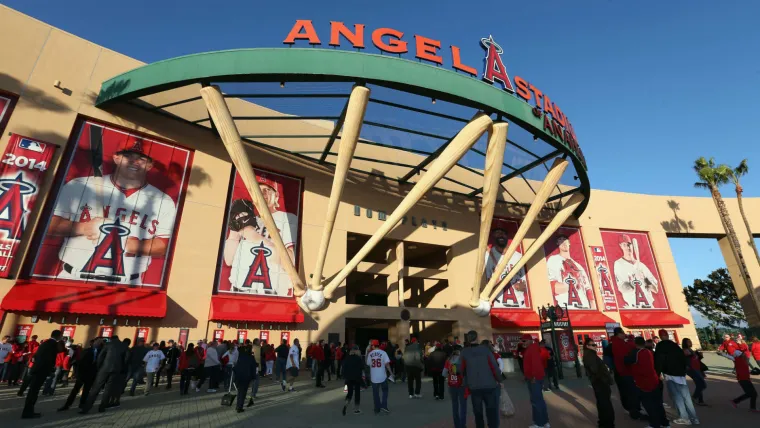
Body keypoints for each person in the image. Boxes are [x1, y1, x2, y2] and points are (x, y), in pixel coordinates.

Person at [46, 139, 177, 285]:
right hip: (73, 276)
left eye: (142, 159)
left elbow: (163, 246)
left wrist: (126, 244)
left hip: (128, 282)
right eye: (128, 156)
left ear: (149, 166)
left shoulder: (163, 201)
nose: (135, 162)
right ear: (116, 158)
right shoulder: (80, 185)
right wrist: (84, 228)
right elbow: (49, 226)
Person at [654, 330, 699, 425]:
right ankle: (694, 418)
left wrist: (658, 373)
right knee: (686, 397)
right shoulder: (675, 345)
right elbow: (683, 358)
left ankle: (684, 417)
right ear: (667, 335)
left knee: (676, 396)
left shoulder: (661, 346)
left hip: (670, 374)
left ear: (660, 336)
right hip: (681, 374)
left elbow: (659, 360)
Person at [459, 330, 501, 428]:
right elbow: (494, 366)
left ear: (468, 339)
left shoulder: (464, 352)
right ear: (477, 338)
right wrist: (499, 379)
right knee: (491, 411)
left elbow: (461, 369)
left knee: (478, 412)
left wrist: (465, 382)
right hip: (489, 385)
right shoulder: (485, 350)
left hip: (474, 386)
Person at [79, 335, 129, 414]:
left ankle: (86, 408)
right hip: (116, 370)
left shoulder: (108, 345)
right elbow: (126, 359)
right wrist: (121, 368)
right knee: (108, 389)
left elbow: (100, 357)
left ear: (111, 339)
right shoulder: (124, 346)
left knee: (96, 388)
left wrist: (99, 367)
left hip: (104, 369)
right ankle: (102, 407)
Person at [627, 336, 668, 428]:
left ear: (635, 343)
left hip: (644, 382)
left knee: (649, 404)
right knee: (658, 403)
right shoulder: (649, 352)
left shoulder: (636, 353)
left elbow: (626, 361)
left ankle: (655, 424)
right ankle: (664, 422)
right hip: (654, 379)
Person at [485, 226, 529, 308]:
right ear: (493, 236)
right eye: (497, 232)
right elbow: (485, 286)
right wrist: (494, 282)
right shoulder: (487, 256)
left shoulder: (518, 256)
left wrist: (522, 287)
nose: (501, 235)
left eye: (503, 233)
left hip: (520, 305)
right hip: (497, 305)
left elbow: (527, 286)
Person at [20, 330, 61, 419]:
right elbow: (49, 359)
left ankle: (28, 411)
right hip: (41, 370)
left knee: (33, 391)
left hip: (37, 369)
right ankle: (28, 412)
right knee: (33, 392)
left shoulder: (45, 343)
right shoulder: (52, 344)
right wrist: (50, 369)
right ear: (59, 336)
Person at [547, 235, 595, 309]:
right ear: (557, 243)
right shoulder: (553, 260)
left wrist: (593, 308)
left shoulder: (578, 266)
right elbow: (550, 285)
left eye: (565, 240)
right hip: (565, 306)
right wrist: (570, 284)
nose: (563, 243)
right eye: (560, 240)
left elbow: (588, 289)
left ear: (569, 243)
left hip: (584, 307)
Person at [613, 234, 659, 308]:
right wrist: (635, 278)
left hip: (649, 306)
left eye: (629, 244)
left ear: (632, 246)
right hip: (633, 307)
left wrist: (645, 279)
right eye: (624, 245)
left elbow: (655, 289)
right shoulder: (619, 264)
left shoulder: (641, 266)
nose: (628, 247)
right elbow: (622, 288)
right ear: (620, 246)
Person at [58, 339, 102, 412]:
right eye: (97, 342)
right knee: (75, 390)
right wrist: (77, 374)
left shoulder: (101, 352)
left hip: (92, 374)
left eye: (100, 343)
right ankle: (67, 404)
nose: (98, 344)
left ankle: (82, 404)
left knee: (86, 390)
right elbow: (80, 362)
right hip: (82, 373)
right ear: (93, 343)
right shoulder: (86, 351)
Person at [610, 327, 642, 420]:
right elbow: (629, 350)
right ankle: (634, 412)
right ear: (619, 334)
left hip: (620, 371)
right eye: (623, 333)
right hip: (625, 371)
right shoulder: (620, 343)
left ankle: (629, 408)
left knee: (625, 392)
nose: (624, 334)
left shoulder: (615, 343)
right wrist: (631, 339)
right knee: (632, 393)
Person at [582, 337, 615, 428]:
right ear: (587, 346)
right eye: (593, 345)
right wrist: (604, 374)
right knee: (605, 403)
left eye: (595, 344)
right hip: (600, 382)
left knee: (602, 403)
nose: (595, 346)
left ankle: (604, 422)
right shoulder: (590, 356)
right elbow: (595, 369)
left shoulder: (590, 354)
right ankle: (607, 423)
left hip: (598, 382)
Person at [523, 334, 550, 428]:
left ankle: (539, 424)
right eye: (522, 341)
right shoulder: (532, 348)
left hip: (534, 378)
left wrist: (533, 376)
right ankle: (544, 422)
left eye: (525, 341)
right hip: (534, 377)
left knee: (536, 401)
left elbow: (535, 363)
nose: (523, 343)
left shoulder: (532, 348)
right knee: (539, 400)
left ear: (530, 341)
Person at [443, 345, 467, 428]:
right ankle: (462, 425)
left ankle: (456, 425)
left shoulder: (448, 360)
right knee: (463, 405)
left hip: (452, 385)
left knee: (454, 405)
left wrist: (450, 374)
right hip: (461, 385)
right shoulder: (462, 360)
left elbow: (443, 373)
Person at [366, 339, 392, 415]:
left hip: (374, 377)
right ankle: (384, 405)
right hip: (382, 376)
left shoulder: (370, 354)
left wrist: (368, 353)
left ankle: (377, 408)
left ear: (373, 346)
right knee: (385, 391)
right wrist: (391, 372)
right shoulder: (383, 353)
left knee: (375, 393)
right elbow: (387, 364)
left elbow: (367, 363)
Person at [682, 338, 707, 406]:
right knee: (703, 385)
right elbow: (687, 358)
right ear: (685, 343)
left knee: (699, 384)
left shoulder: (691, 350)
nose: (690, 343)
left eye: (690, 341)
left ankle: (700, 400)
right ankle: (694, 397)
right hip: (692, 369)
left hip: (697, 368)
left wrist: (699, 355)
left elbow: (696, 359)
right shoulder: (685, 350)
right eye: (688, 342)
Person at [233, 345, 257, 412]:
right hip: (246, 377)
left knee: (240, 391)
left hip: (238, 376)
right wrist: (254, 377)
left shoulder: (239, 357)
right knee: (243, 392)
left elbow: (235, 367)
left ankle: (238, 406)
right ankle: (239, 407)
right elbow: (253, 368)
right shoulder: (251, 357)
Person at [342, 345, 364, 415]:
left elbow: (343, 368)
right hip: (356, 378)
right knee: (357, 393)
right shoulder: (358, 358)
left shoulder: (347, 358)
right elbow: (362, 368)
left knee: (350, 393)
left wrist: (345, 377)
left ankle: (346, 404)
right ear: (357, 351)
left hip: (348, 378)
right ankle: (356, 409)